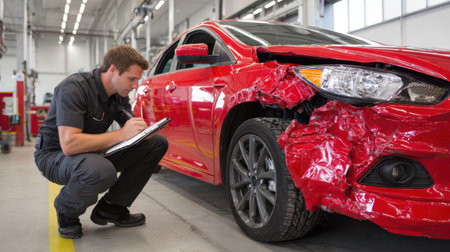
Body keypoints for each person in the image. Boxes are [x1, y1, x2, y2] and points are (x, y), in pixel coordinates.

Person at [34, 45, 168, 239]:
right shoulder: (75, 88)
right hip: (56, 156)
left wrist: (144, 131)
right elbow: (69, 144)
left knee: (156, 143)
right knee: (100, 171)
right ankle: (66, 211)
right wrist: (123, 134)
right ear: (113, 70)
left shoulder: (118, 95)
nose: (135, 86)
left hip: (91, 153)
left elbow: (129, 124)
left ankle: (112, 207)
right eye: (131, 79)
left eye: (138, 80)